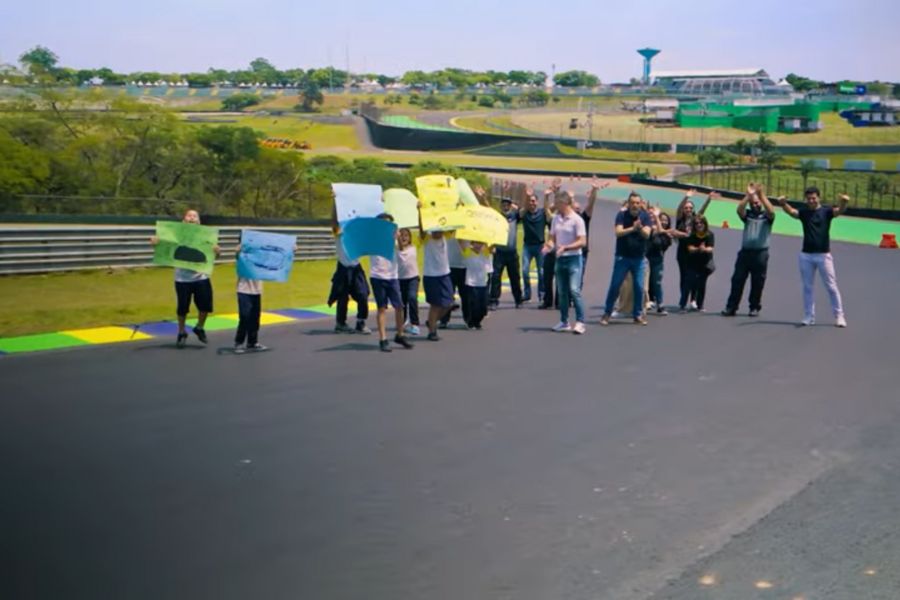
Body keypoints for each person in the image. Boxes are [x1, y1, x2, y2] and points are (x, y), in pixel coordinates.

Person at [776, 187, 849, 327]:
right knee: (807, 287)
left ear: (818, 198)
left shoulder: (826, 211)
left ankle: (839, 316)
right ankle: (809, 316)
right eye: (809, 198)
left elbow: (839, 211)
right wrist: (783, 203)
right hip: (806, 256)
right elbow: (792, 212)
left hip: (824, 255)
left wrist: (844, 202)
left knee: (831, 287)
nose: (811, 200)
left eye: (814, 198)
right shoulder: (804, 212)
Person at [149, 209, 221, 348]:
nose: (192, 217)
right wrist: (155, 243)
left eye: (195, 216)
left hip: (201, 277)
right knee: (182, 308)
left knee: (206, 305)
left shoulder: (206, 236)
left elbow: (213, 257)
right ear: (183, 220)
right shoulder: (175, 234)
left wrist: (217, 252)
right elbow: (164, 245)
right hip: (182, 279)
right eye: (189, 215)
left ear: (198, 221)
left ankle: (200, 327)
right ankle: (181, 332)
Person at [722, 183, 776, 317]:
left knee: (757, 282)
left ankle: (754, 307)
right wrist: (749, 195)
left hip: (760, 254)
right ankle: (731, 307)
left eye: (757, 203)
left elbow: (771, 211)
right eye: (753, 203)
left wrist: (761, 194)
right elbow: (739, 209)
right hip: (745, 253)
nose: (756, 205)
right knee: (737, 280)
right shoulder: (748, 215)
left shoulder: (767, 217)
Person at [600, 193, 652, 326]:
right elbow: (618, 232)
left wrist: (639, 229)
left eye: (637, 203)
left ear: (641, 204)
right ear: (628, 203)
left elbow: (647, 234)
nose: (635, 205)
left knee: (639, 287)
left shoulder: (645, 216)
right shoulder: (621, 215)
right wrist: (632, 228)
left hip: (639, 259)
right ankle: (607, 313)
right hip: (622, 257)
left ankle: (637, 315)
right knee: (615, 286)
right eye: (632, 202)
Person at [369, 214, 415, 352]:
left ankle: (400, 335)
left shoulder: (394, 238)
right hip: (378, 276)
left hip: (392, 277)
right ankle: (383, 339)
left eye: (389, 223)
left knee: (399, 306)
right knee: (382, 308)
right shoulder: (374, 238)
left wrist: (398, 237)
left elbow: (401, 249)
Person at [544, 191, 587, 334]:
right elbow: (552, 237)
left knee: (574, 290)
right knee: (562, 292)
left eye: (557, 203)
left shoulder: (577, 220)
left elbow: (582, 241)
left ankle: (580, 322)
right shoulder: (556, 219)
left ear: (564, 203)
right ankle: (564, 321)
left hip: (574, 258)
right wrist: (548, 246)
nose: (555, 206)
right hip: (560, 258)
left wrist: (566, 247)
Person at [327, 205, 371, 334]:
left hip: (356, 268)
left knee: (363, 294)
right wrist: (335, 204)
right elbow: (334, 222)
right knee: (342, 297)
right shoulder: (339, 233)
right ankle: (340, 323)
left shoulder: (358, 235)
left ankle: (361, 322)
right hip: (343, 267)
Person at [672, 190, 716, 311]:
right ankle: (683, 300)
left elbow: (702, 211)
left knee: (695, 277)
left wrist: (709, 199)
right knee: (684, 276)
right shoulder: (680, 220)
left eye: (690, 208)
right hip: (682, 252)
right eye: (686, 208)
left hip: (695, 253)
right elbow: (679, 209)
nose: (688, 210)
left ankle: (693, 300)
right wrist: (686, 197)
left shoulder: (695, 219)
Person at [418, 207, 454, 341]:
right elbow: (421, 229)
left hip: (445, 275)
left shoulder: (446, 237)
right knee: (435, 305)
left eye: (440, 230)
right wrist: (420, 211)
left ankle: (431, 321)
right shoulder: (427, 239)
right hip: (431, 276)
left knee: (449, 303)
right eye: (436, 230)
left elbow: (453, 224)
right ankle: (432, 332)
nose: (438, 232)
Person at [489, 196, 523, 310]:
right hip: (499, 252)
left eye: (507, 204)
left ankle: (518, 300)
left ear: (510, 205)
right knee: (495, 277)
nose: (505, 206)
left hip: (512, 253)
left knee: (515, 277)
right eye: (503, 204)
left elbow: (524, 211)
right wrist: (483, 197)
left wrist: (524, 199)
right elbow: (488, 209)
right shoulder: (497, 217)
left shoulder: (515, 216)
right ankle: (493, 300)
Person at [233, 236, 266, 353]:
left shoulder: (260, 255)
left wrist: (290, 249)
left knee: (255, 318)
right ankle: (239, 342)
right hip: (244, 290)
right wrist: (240, 248)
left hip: (257, 290)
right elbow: (237, 254)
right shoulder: (241, 255)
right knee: (244, 317)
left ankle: (252, 342)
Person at [519, 188, 552, 304]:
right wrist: (527, 196)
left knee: (541, 272)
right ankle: (527, 294)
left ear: (537, 202)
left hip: (539, 247)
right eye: (530, 201)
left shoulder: (542, 213)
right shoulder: (524, 214)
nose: (531, 203)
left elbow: (548, 211)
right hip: (527, 246)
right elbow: (521, 211)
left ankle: (541, 294)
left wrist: (547, 197)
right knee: (524, 270)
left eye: (533, 201)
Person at [684, 215, 715, 312]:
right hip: (693, 262)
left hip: (705, 263)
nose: (699, 225)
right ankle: (685, 303)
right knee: (690, 282)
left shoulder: (710, 234)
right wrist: (698, 249)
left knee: (702, 284)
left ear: (705, 224)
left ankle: (700, 305)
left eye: (701, 223)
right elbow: (689, 248)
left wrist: (704, 249)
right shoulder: (692, 235)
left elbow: (711, 248)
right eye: (696, 223)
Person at [646, 209, 674, 315]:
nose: (663, 222)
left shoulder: (668, 236)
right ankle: (644, 303)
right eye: (662, 220)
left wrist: (657, 217)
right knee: (644, 284)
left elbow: (660, 232)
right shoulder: (652, 229)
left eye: (666, 220)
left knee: (656, 283)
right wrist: (654, 216)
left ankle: (660, 305)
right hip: (646, 260)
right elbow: (655, 229)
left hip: (657, 261)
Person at [462, 241, 492, 329]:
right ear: (472, 243)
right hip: (471, 283)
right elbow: (461, 244)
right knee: (473, 304)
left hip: (482, 283)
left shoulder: (485, 252)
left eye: (480, 243)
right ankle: (471, 322)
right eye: (476, 243)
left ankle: (478, 320)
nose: (478, 246)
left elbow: (492, 249)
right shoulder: (468, 252)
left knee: (483, 305)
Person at [440, 235, 468, 328]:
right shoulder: (448, 228)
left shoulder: (468, 227)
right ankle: (444, 320)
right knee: (447, 294)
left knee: (465, 295)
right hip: (449, 265)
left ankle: (468, 319)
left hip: (464, 265)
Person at [397, 228, 421, 336]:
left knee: (412, 298)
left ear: (410, 238)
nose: (404, 237)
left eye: (406, 235)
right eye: (401, 235)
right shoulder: (396, 249)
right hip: (400, 279)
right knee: (402, 302)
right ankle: (404, 320)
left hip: (413, 278)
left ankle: (415, 324)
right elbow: (400, 248)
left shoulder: (413, 248)